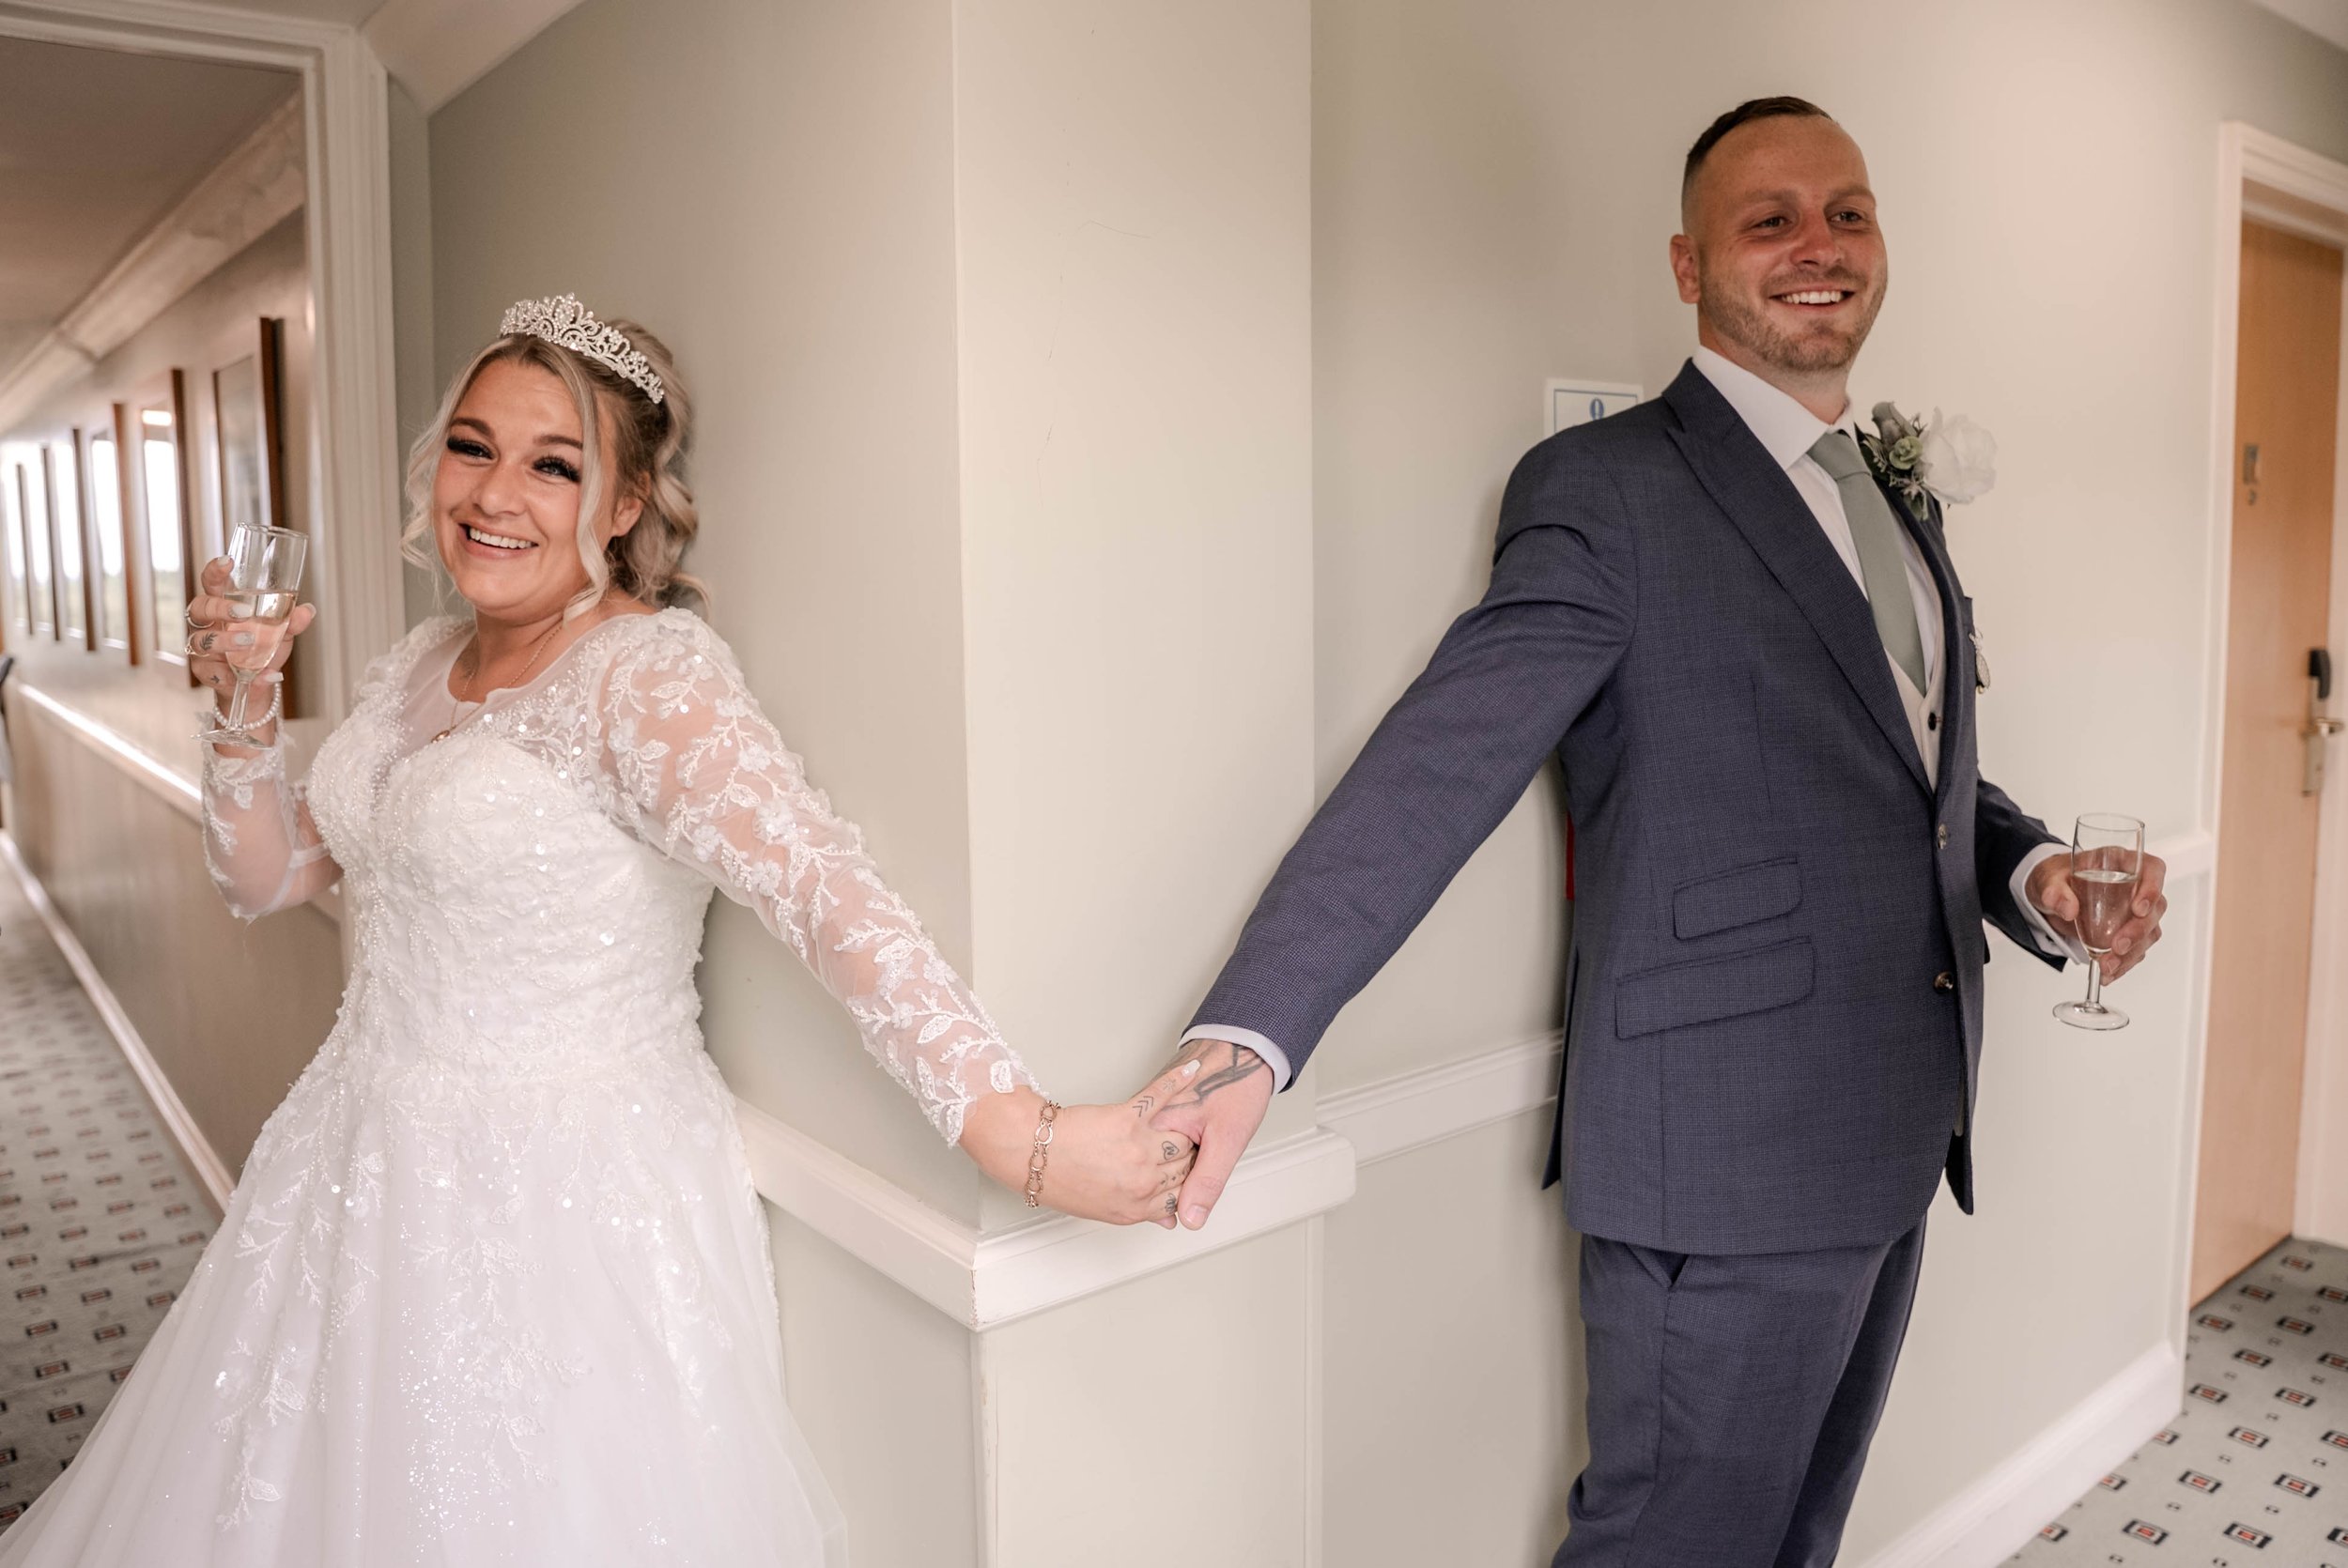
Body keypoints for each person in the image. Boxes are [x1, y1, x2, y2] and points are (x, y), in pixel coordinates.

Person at [0, 296, 1196, 1566]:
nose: (495, 492)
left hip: (559, 1204)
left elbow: (828, 895)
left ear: (624, 504)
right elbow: (272, 870)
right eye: (473, 446)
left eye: (553, 462)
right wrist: (240, 701)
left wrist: (1030, 1138)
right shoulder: (415, 665)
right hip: (349, 1157)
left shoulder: (648, 678)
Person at [1142, 99, 2170, 1566]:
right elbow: (1442, 762)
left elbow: (1917, 773)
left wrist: (2031, 869)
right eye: (1771, 221)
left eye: (1848, 212)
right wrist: (1253, 1032)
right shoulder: (1608, 492)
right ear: (1689, 267)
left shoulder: (1900, 494)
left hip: (1895, 1137)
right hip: (1723, 1165)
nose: (1819, 247)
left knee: (1796, 1539)